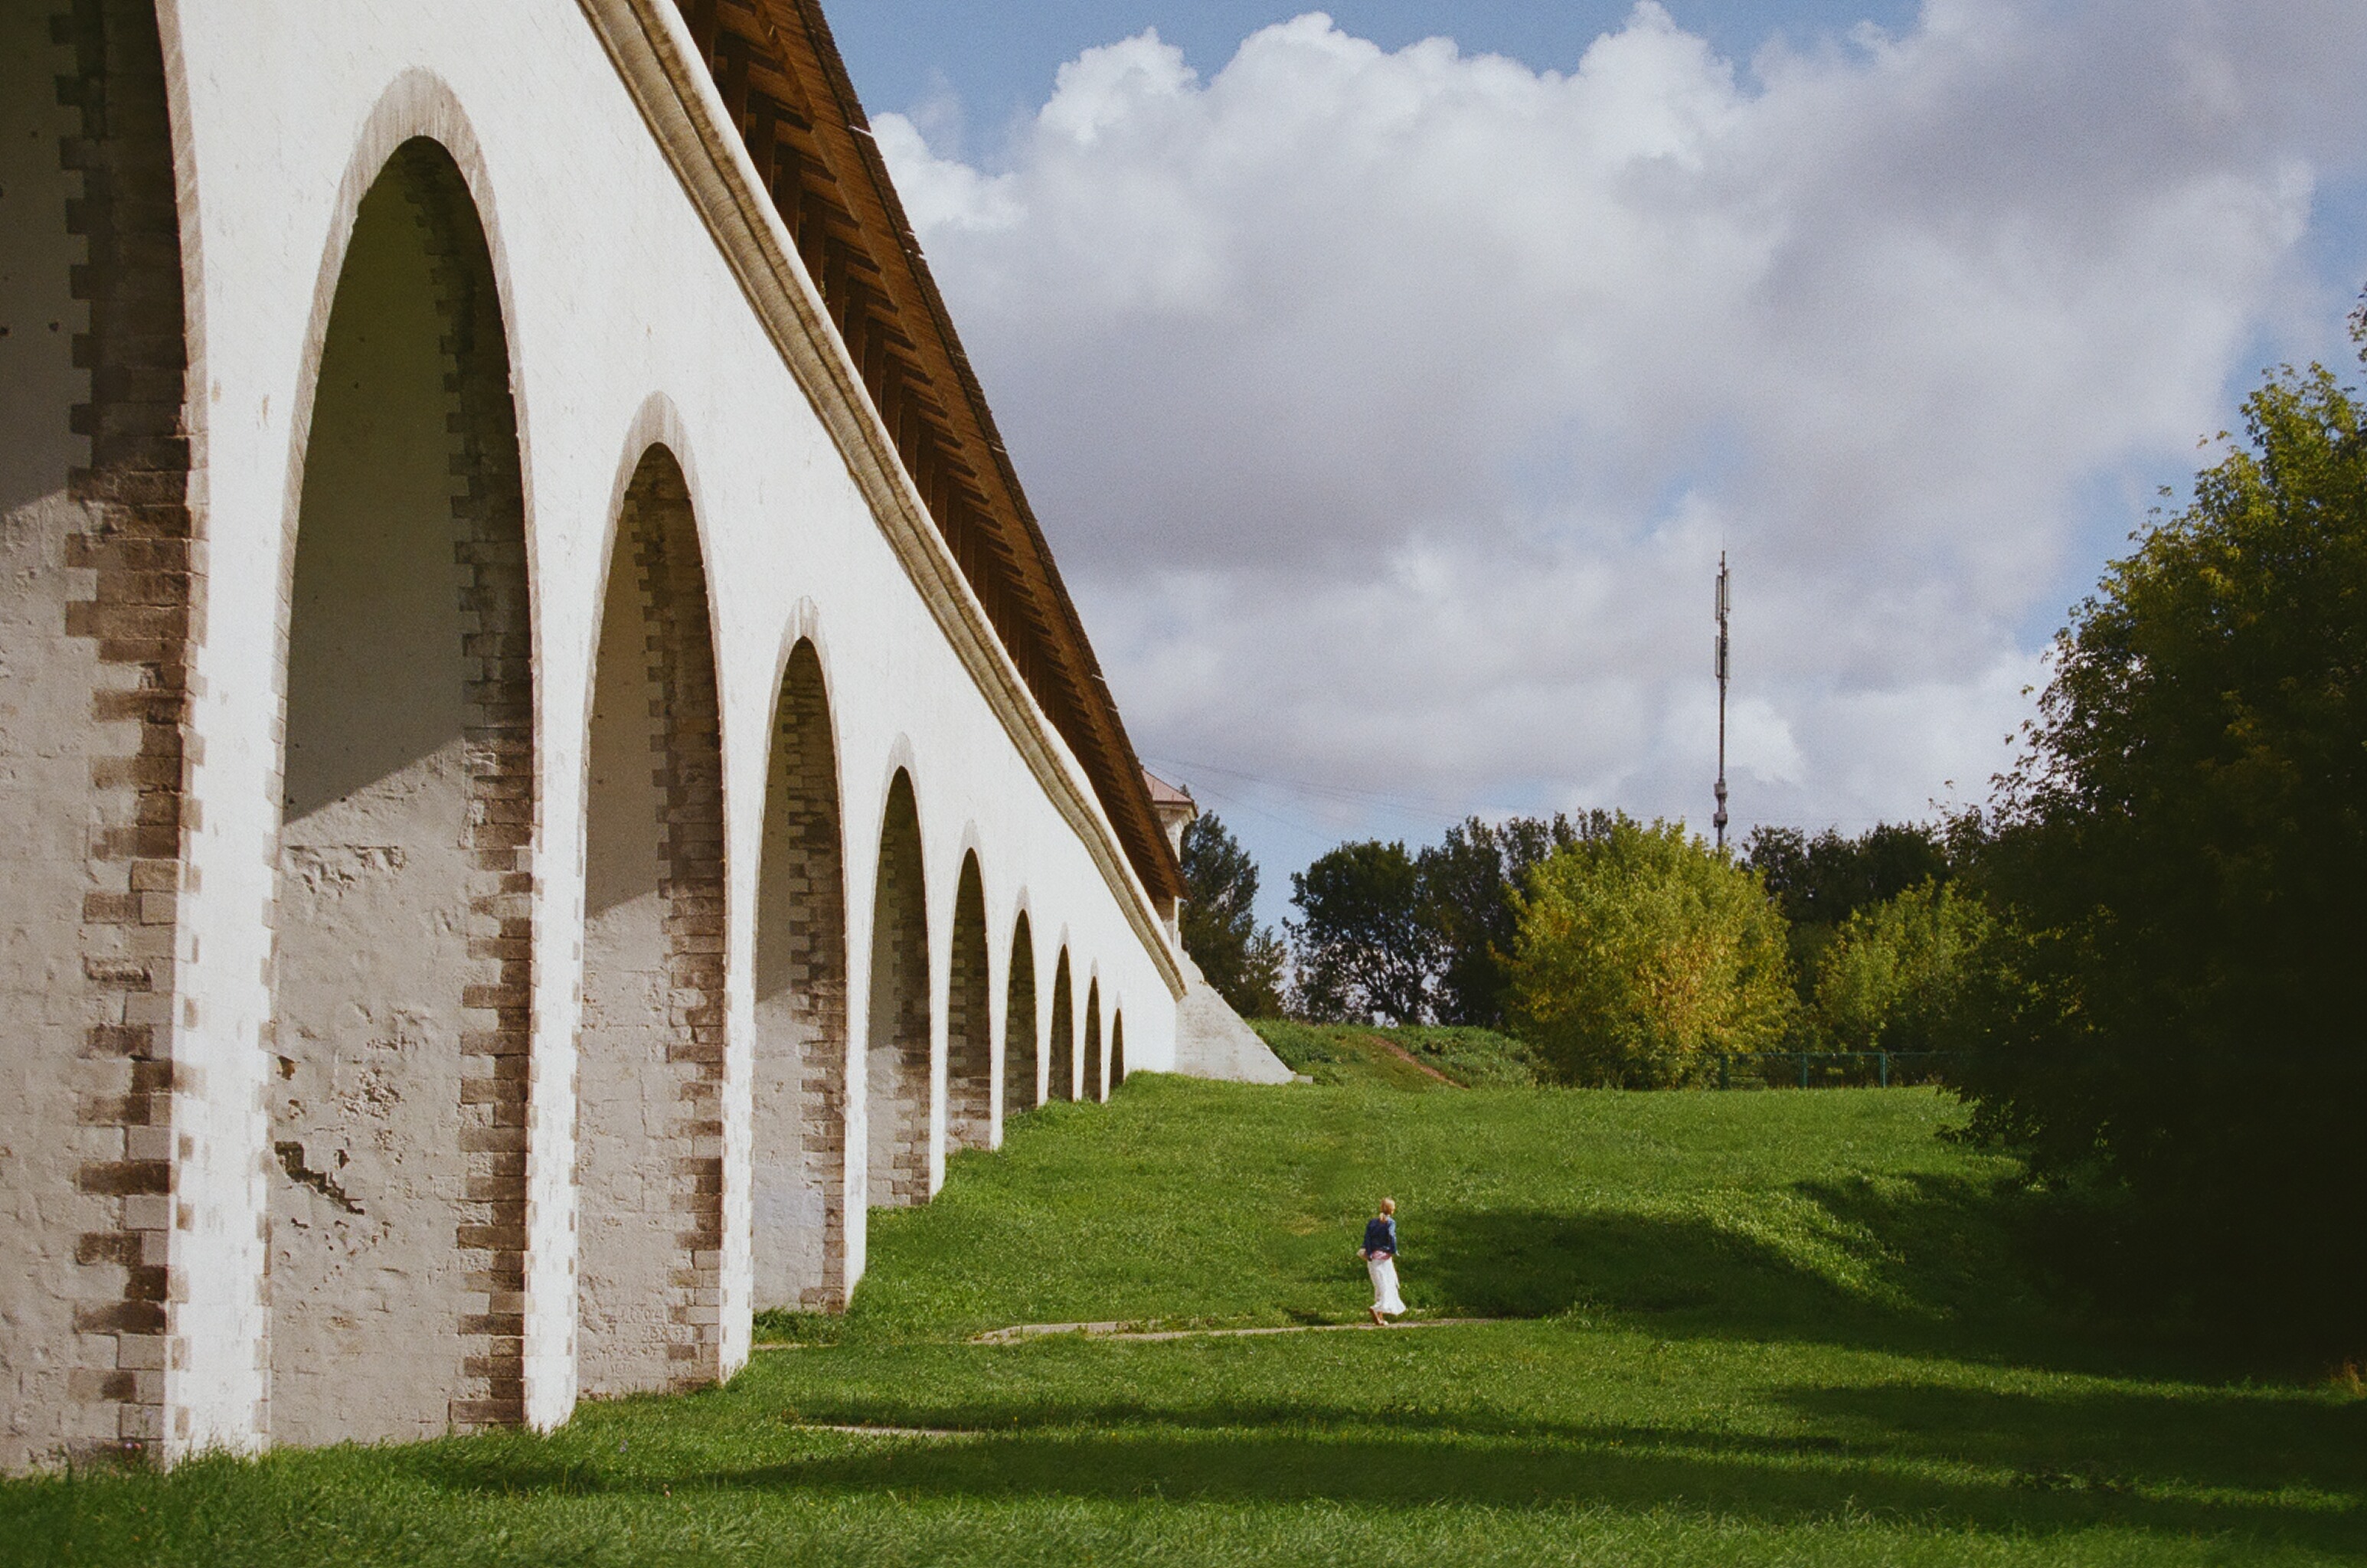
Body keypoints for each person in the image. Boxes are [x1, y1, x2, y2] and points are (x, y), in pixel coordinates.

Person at [1358, 1197, 1406, 1326]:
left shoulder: (1372, 1223)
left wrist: (1368, 1252)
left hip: (1372, 1258)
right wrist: (1393, 1250)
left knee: (1379, 1286)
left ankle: (1380, 1317)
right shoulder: (1390, 1222)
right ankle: (1376, 1308)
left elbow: (1367, 1238)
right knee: (1388, 1285)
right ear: (1391, 1209)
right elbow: (1391, 1236)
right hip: (1384, 1259)